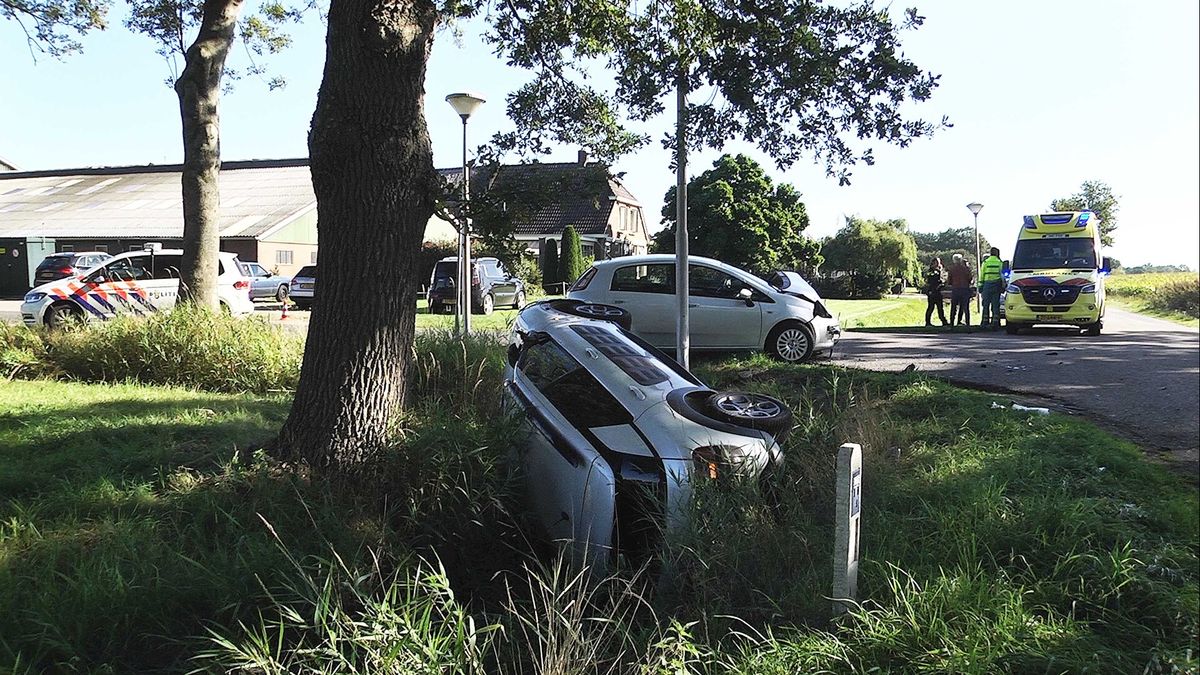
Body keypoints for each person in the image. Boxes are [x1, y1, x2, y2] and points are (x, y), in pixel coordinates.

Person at [978, 246, 1004, 330]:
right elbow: (1002, 275)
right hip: (996, 285)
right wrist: (1003, 286)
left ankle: (985, 322)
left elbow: (981, 275)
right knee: (995, 304)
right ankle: (995, 322)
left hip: (987, 285)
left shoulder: (986, 262)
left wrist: (980, 286)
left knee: (985, 304)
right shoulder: (1000, 262)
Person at [947, 253, 974, 328]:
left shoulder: (951, 269)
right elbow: (970, 278)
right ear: (961, 260)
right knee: (965, 307)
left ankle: (952, 323)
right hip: (965, 289)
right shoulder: (965, 268)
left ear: (954, 260)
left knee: (953, 307)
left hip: (955, 289)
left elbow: (949, 281)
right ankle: (967, 323)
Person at [923, 257, 948, 327]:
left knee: (940, 307)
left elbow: (943, 279)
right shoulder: (931, 271)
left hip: (938, 291)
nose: (938, 264)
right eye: (936, 262)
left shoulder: (940, 270)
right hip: (932, 291)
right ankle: (927, 322)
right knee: (931, 307)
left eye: (939, 262)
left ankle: (944, 321)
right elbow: (931, 280)